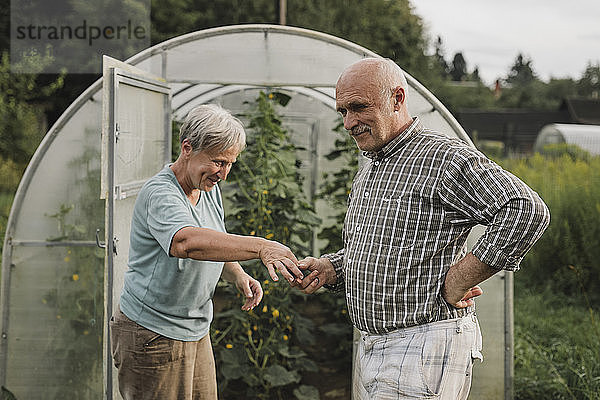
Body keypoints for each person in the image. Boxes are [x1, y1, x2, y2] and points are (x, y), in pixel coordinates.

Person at [298, 58, 550, 399]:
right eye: (343, 111)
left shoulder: (442, 157)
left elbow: (526, 210)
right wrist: (334, 268)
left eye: (358, 107)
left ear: (398, 99)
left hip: (422, 345)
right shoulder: (373, 165)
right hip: (378, 346)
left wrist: (458, 280)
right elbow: (384, 245)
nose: (349, 122)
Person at [110, 104, 303, 400]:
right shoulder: (160, 193)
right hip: (153, 332)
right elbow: (186, 243)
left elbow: (215, 240)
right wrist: (261, 247)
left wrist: (237, 274)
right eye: (218, 162)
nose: (223, 174)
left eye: (230, 164)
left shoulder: (207, 189)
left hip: (195, 327)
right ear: (187, 148)